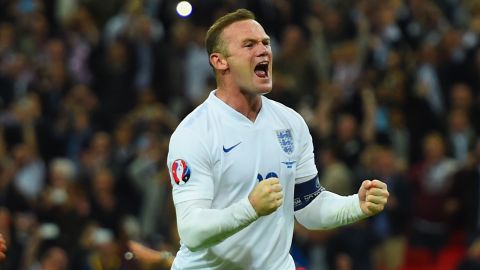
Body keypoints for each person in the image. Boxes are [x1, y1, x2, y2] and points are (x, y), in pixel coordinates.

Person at [164, 9, 389, 269]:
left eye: (265, 43)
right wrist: (250, 209)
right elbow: (191, 232)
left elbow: (308, 206)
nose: (263, 51)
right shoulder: (194, 133)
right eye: (249, 44)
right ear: (219, 61)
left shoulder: (290, 123)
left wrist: (356, 205)